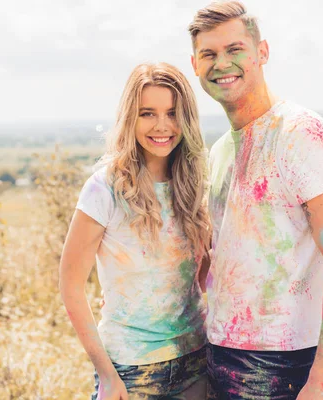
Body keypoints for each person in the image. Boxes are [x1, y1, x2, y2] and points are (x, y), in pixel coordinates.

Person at [188, 2, 323, 399]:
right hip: (218, 356)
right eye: (209, 54)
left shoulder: (302, 134)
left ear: (262, 52)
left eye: (235, 49)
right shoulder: (218, 152)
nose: (222, 64)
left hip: (283, 364)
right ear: (195, 65)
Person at [60, 62, 211, 400]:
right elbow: (70, 286)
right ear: (130, 117)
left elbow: (201, 276)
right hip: (130, 371)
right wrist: (106, 374)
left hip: (195, 362)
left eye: (172, 113)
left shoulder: (193, 184)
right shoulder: (103, 189)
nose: (162, 126)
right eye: (147, 113)